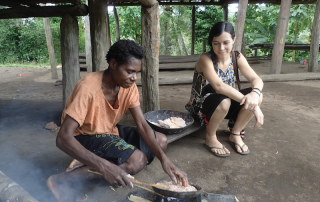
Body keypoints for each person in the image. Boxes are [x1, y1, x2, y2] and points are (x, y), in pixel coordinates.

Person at [47, 39, 188, 202]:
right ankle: (61, 180)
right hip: (85, 135)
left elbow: (142, 124)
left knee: (161, 140)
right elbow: (63, 138)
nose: (134, 78)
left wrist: (165, 160)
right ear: (113, 64)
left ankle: (86, 163)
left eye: (136, 72)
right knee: (138, 160)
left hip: (108, 130)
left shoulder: (128, 87)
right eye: (129, 71)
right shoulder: (88, 87)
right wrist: (105, 167)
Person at [185, 21, 264, 157]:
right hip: (203, 106)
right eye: (216, 43)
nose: (221, 48)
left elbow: (256, 80)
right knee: (225, 101)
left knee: (258, 95)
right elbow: (219, 86)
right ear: (211, 43)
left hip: (225, 102)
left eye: (226, 42)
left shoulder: (236, 56)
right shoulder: (205, 58)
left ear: (234, 40)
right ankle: (210, 137)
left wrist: (255, 95)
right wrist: (254, 107)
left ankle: (235, 133)